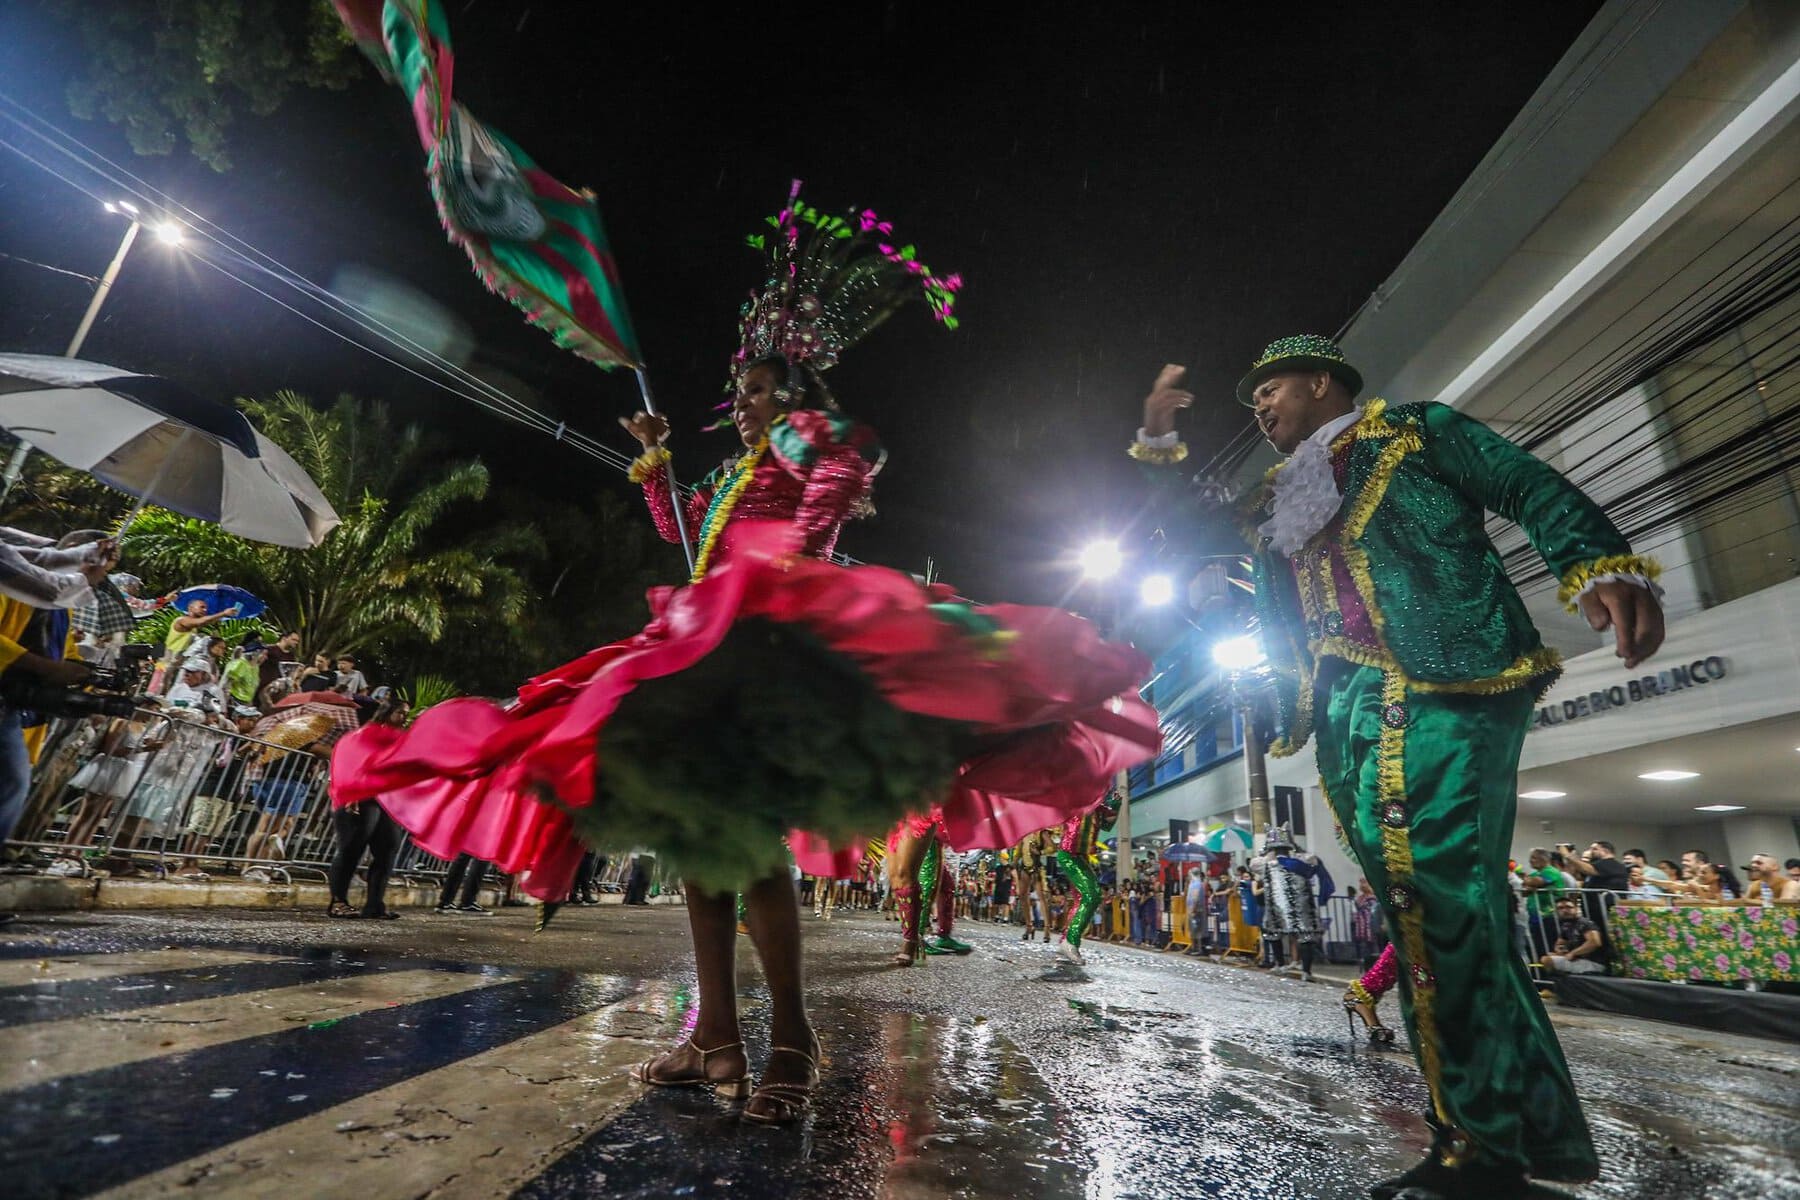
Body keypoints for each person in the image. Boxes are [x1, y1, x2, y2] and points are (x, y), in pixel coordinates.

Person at [332, 186, 1158, 1126]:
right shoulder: (733, 470)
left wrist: (797, 557)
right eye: (746, 392)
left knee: (747, 846)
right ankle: (716, 1035)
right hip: (709, 651)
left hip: (767, 657)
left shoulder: (803, 436)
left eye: (761, 390)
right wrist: (654, 461)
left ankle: (792, 1039)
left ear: (792, 395)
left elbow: (852, 461)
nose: (747, 401)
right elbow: (690, 541)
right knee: (700, 844)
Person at [1132, 336, 1665, 1196]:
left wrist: (1593, 561)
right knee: (1436, 914)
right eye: (1252, 400)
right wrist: (1158, 439)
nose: (1260, 408)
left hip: (1450, 676)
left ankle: (1481, 1146)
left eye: (1270, 389)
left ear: (1320, 380)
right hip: (1341, 709)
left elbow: (1523, 481)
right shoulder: (1279, 496)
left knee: (1439, 901)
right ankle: (1524, 1135)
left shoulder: (1414, 432)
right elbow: (1186, 528)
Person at [327, 693, 409, 918]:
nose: (404, 717)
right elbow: (349, 762)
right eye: (400, 712)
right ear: (387, 712)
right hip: (359, 798)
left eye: (406, 714)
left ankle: (374, 905)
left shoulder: (397, 738)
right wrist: (351, 792)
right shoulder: (364, 735)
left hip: (384, 800)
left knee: (388, 849)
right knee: (351, 849)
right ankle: (338, 902)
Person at [1539, 897, 1606, 976]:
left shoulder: (1585, 923)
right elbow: (1560, 944)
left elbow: (1594, 942)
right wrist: (1560, 951)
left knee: (1547, 960)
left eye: (1569, 907)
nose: (1565, 910)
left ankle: (1556, 984)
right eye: (1561, 908)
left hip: (1594, 963)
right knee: (1549, 955)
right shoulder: (1566, 925)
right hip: (1578, 960)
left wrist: (1573, 953)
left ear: (1576, 909)